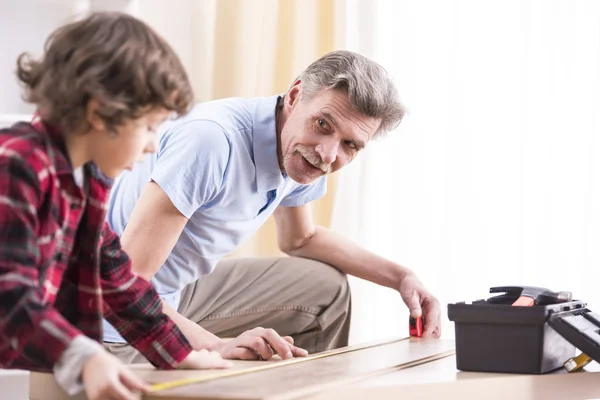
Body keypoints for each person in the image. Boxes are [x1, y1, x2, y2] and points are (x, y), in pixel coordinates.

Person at [104, 50, 442, 364]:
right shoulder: (209, 142)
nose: (328, 154)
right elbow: (125, 286)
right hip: (110, 312)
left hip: (174, 291)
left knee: (324, 287)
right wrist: (216, 347)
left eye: (350, 144)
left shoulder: (302, 151)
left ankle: (304, 389)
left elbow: (300, 239)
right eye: (323, 124)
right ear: (295, 97)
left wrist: (402, 277)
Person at [0, 12, 231, 400]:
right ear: (99, 112)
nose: (153, 145)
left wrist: (179, 353)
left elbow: (114, 279)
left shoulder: (87, 180)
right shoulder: (18, 164)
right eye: (150, 126)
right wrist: (85, 357)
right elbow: (7, 293)